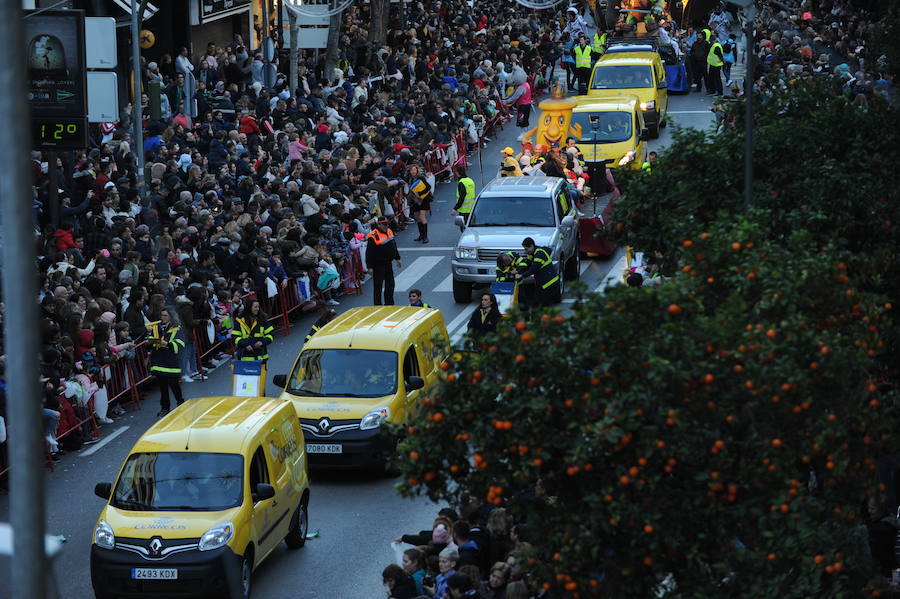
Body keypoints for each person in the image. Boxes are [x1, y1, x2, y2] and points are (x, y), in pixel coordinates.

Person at [149, 307, 186, 417]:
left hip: (170, 360)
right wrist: (151, 341)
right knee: (163, 387)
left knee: (174, 385)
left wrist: (167, 344)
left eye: (165, 315)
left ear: (170, 316)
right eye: (162, 315)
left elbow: (180, 344)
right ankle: (165, 408)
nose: (163, 318)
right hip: (159, 359)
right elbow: (152, 339)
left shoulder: (176, 328)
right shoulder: (157, 327)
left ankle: (181, 404)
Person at [366, 218, 402, 306]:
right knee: (378, 286)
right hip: (378, 265)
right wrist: (370, 267)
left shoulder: (389, 231)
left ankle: (389, 304)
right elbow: (369, 252)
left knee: (390, 284)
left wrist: (397, 258)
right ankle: (378, 305)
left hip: (388, 263)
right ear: (379, 225)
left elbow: (394, 245)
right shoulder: (373, 236)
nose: (386, 226)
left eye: (387, 224)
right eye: (384, 224)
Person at [516, 237, 560, 306]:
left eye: (526, 249)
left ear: (531, 246)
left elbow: (533, 269)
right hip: (545, 284)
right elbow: (528, 264)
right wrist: (518, 271)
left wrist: (522, 275)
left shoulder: (539, 254)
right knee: (538, 304)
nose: (526, 251)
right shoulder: (533, 254)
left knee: (543, 306)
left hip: (549, 285)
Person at [408, 164, 433, 244]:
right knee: (417, 218)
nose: (413, 171)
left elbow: (428, 187)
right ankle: (421, 235)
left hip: (423, 200)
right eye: (411, 170)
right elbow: (410, 192)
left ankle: (425, 237)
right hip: (415, 201)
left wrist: (420, 193)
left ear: (417, 170)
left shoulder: (421, 178)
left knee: (422, 217)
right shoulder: (410, 179)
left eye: (414, 170)